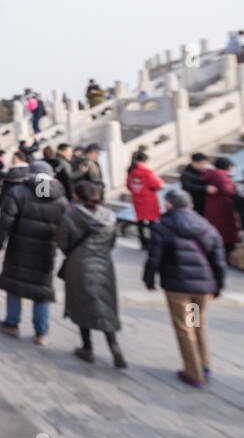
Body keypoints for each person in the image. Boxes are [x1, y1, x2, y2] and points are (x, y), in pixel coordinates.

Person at [144, 189, 226, 387]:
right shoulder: (206, 226)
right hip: (202, 286)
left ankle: (194, 373)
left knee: (184, 328)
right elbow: (219, 260)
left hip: (178, 287)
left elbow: (154, 258)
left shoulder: (163, 226)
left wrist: (149, 279)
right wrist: (219, 285)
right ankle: (204, 365)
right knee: (196, 324)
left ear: (169, 205)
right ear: (190, 206)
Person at [0, 160, 68, 343]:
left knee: (14, 284)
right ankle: (41, 332)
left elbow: (6, 221)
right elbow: (67, 228)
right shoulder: (61, 200)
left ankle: (12, 323)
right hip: (46, 250)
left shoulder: (19, 193)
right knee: (41, 291)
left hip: (19, 247)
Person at [56, 181, 126, 368]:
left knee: (81, 303)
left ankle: (87, 347)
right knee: (104, 304)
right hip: (104, 264)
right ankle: (114, 345)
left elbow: (62, 241)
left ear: (77, 196)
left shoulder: (71, 215)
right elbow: (112, 243)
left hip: (78, 263)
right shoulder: (110, 216)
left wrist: (73, 253)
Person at [126, 150, 164, 249]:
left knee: (141, 222)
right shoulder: (146, 171)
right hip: (148, 200)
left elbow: (129, 185)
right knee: (152, 221)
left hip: (137, 199)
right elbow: (156, 184)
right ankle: (153, 242)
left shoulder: (131, 171)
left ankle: (143, 243)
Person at [203, 157, 240, 254]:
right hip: (222, 208)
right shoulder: (221, 175)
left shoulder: (214, 174)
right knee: (225, 232)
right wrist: (235, 187)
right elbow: (227, 191)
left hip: (215, 207)